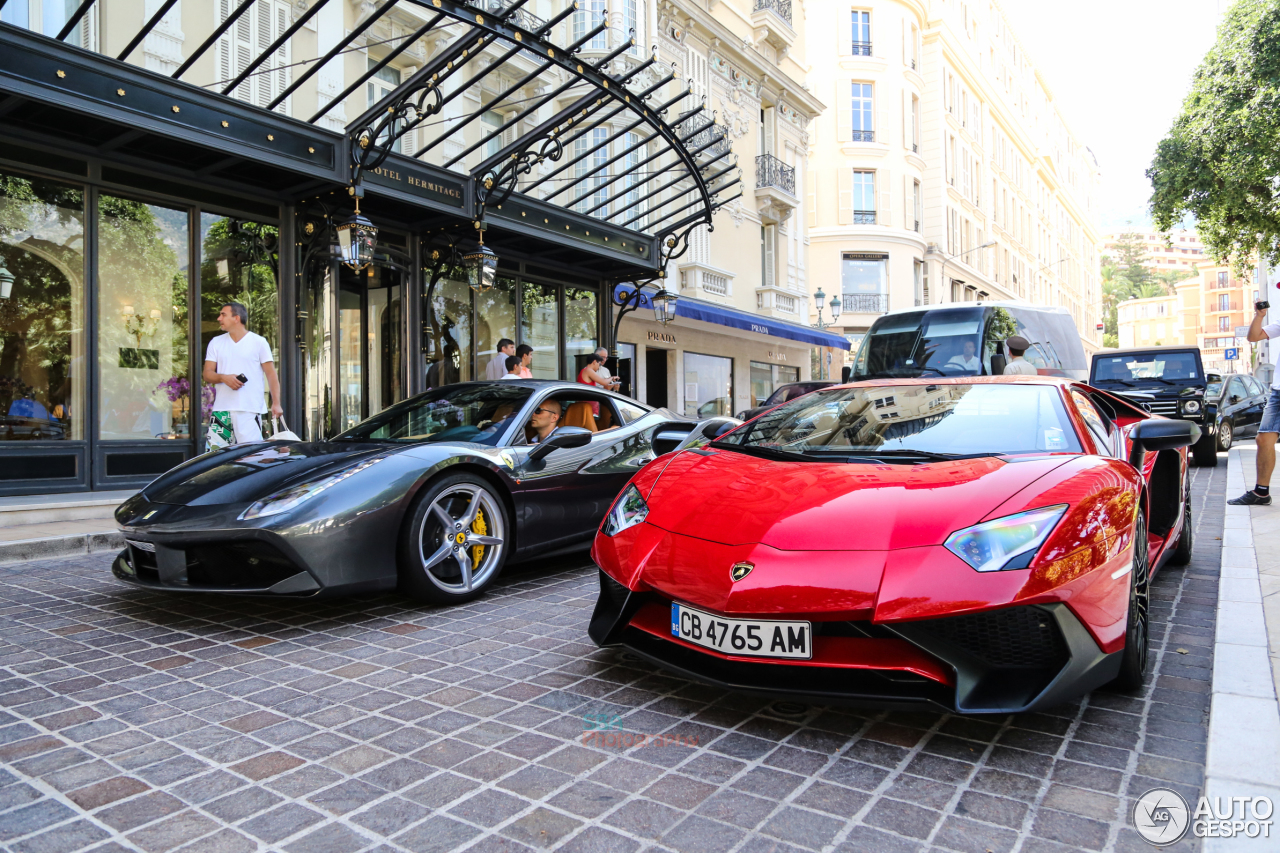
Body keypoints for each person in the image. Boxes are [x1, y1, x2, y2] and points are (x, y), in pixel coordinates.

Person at [203, 302, 282, 446]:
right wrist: (223, 378)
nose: (219, 318)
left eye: (223, 314)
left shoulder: (259, 342)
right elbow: (207, 374)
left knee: (251, 459)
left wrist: (276, 403)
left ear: (236, 318)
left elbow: (271, 375)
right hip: (222, 411)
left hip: (249, 410)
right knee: (216, 460)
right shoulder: (216, 342)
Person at [1231, 300, 1280, 505]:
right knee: (1263, 440)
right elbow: (1253, 336)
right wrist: (1259, 315)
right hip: (1278, 391)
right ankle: (1261, 492)